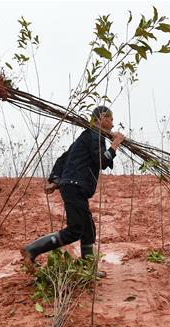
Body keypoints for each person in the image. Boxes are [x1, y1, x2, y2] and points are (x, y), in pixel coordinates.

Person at [20, 105, 124, 277]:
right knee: (76, 229)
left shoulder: (85, 137)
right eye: (110, 119)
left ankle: (88, 268)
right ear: (100, 118)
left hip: (73, 187)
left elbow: (64, 157)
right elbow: (101, 162)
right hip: (75, 187)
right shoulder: (94, 136)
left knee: (88, 228)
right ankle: (32, 250)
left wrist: (54, 180)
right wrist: (115, 145)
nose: (113, 124)